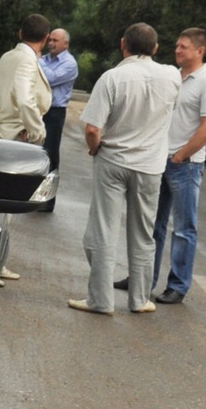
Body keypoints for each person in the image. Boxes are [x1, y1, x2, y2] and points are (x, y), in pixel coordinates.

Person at [69, 23, 179, 316]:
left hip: (113, 160)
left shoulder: (112, 78)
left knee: (103, 230)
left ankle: (100, 300)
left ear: (123, 44)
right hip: (151, 166)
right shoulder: (171, 76)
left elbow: (92, 129)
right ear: (155, 48)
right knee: (143, 234)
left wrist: (95, 148)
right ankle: (140, 299)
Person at [141, 26, 206, 306]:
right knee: (152, 224)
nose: (177, 50)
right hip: (159, 160)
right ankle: (143, 278)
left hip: (185, 165)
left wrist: (180, 156)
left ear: (200, 51)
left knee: (184, 229)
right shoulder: (174, 77)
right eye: (176, 45)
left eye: (183, 47)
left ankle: (177, 285)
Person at [0, 13, 52, 144]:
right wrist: (37, 132)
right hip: (20, 135)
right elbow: (25, 100)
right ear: (46, 38)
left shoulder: (6, 57)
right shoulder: (27, 60)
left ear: (20, 34)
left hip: (4, 130)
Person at [40, 25, 78, 172]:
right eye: (50, 40)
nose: (50, 43)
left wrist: (37, 61)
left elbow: (50, 78)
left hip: (54, 112)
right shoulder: (44, 59)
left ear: (65, 44)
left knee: (49, 150)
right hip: (39, 109)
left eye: (55, 40)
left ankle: (50, 179)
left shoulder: (70, 64)